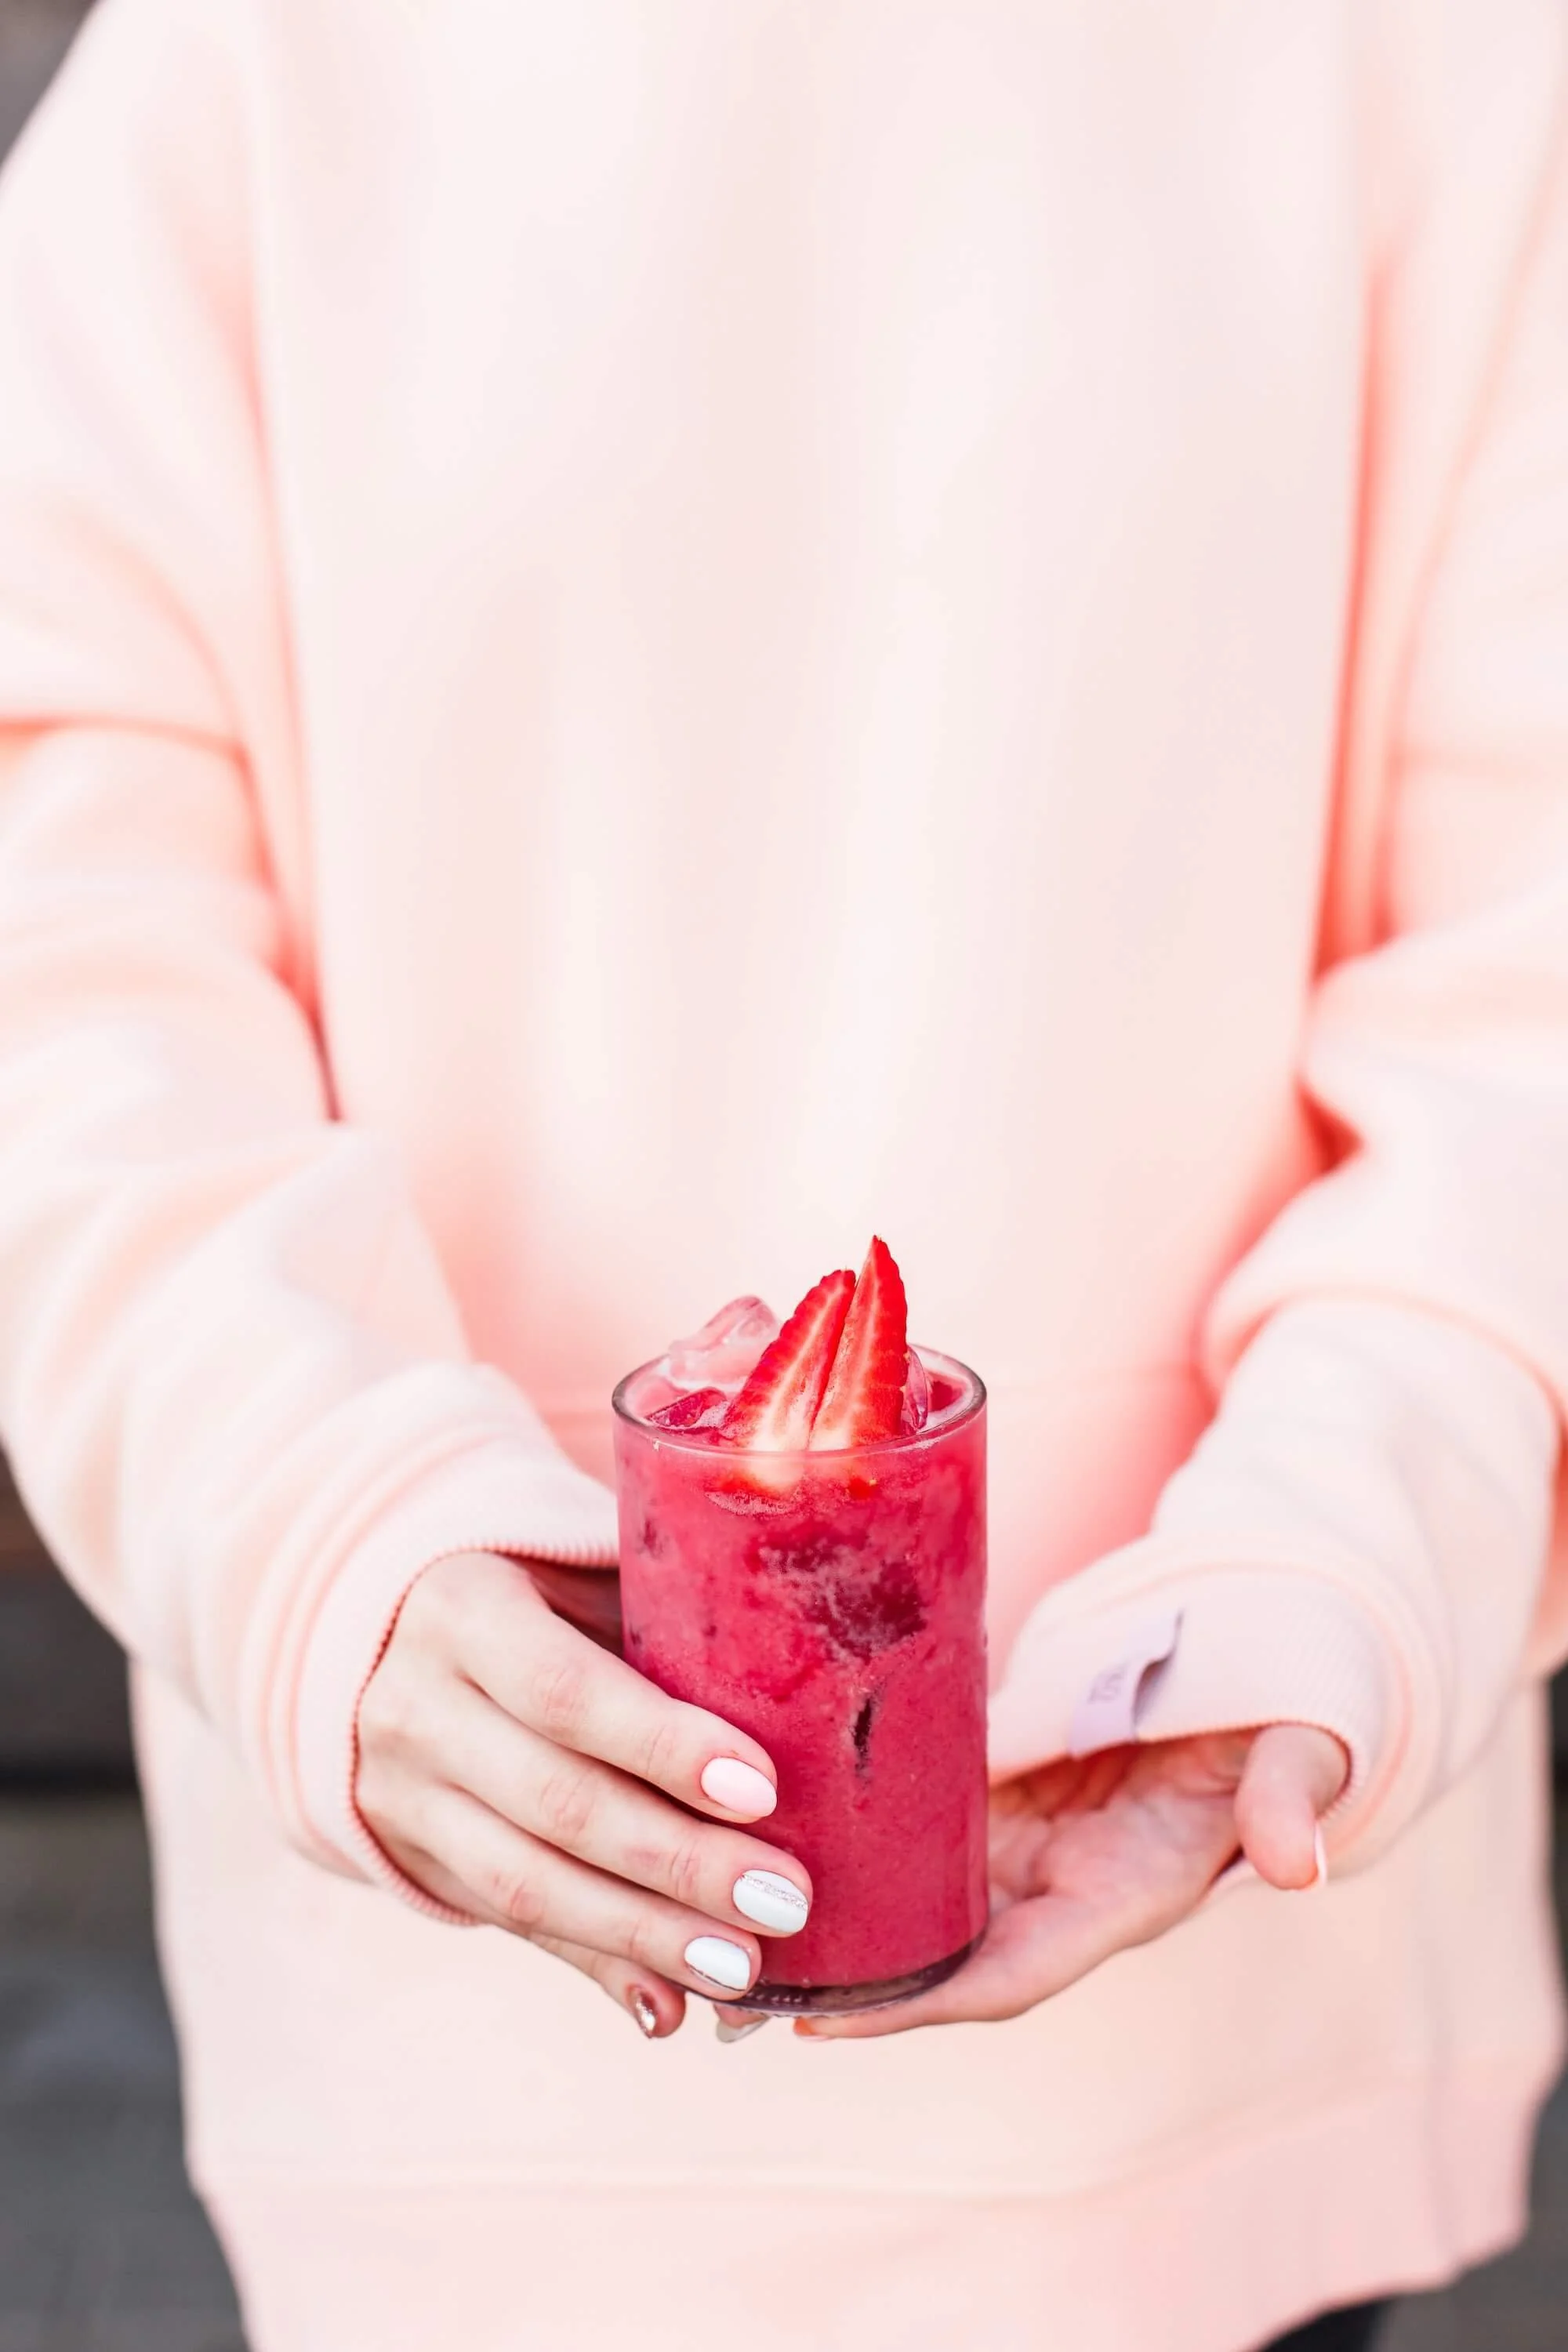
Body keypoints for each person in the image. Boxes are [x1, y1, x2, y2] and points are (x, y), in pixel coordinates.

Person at [0, 2, 1565, 2347]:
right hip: (463, 2067)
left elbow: (1532, 962)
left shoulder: (1448, 56)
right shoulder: (236, 69)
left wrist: (1343, 1547)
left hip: (1223, 1964)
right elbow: (63, 939)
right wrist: (318, 1510)